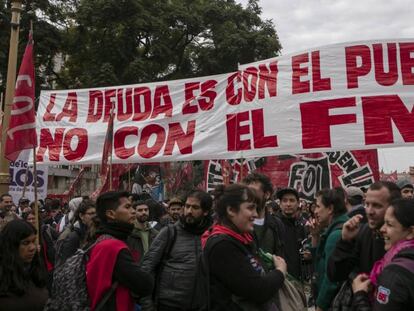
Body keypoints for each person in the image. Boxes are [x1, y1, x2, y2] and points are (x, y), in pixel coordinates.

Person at [202, 184, 287, 310]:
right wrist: (280, 271)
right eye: (250, 208)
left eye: (256, 209)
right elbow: (258, 290)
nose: (256, 214)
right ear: (231, 210)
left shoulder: (242, 239)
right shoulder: (222, 246)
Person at [141, 190, 213, 311]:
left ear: (205, 212)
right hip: (168, 305)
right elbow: (146, 269)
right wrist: (147, 305)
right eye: (187, 206)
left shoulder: (212, 236)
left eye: (195, 207)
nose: (189, 211)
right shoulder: (170, 232)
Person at [86, 191, 154, 310]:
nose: (133, 211)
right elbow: (145, 285)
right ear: (111, 214)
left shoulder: (103, 239)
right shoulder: (113, 246)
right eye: (127, 207)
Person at [328, 181, 401, 283]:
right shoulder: (363, 233)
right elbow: (336, 275)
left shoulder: (405, 239)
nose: (369, 211)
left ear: (394, 207)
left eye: (377, 206)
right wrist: (345, 242)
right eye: (367, 204)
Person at [351, 198, 414, 310]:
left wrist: (360, 295)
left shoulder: (395, 274)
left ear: (410, 232)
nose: (382, 229)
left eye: (389, 224)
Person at [310, 189, 349, 311]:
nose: (315, 211)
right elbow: (319, 260)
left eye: (318, 206)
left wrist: (320, 305)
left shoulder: (336, 236)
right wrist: (315, 236)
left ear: (330, 208)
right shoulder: (334, 230)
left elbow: (331, 278)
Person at [0, 220, 48, 310]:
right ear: (12, 246)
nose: (32, 247)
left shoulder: (35, 271)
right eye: (25, 243)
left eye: (33, 241)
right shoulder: (3, 277)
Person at [242, 173, 286, 258]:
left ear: (267, 194)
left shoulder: (276, 224)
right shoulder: (240, 223)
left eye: (253, 191)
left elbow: (281, 254)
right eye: (246, 191)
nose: (248, 195)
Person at [275, 187, 308, 280]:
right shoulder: (273, 225)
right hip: (280, 278)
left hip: (298, 279)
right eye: (285, 201)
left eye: (292, 200)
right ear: (280, 204)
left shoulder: (303, 226)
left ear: (298, 203)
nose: (288, 204)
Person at [55, 198, 96, 266]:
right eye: (91, 213)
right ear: (81, 216)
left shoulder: (94, 233)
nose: (94, 216)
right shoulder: (72, 237)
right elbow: (65, 266)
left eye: (96, 213)